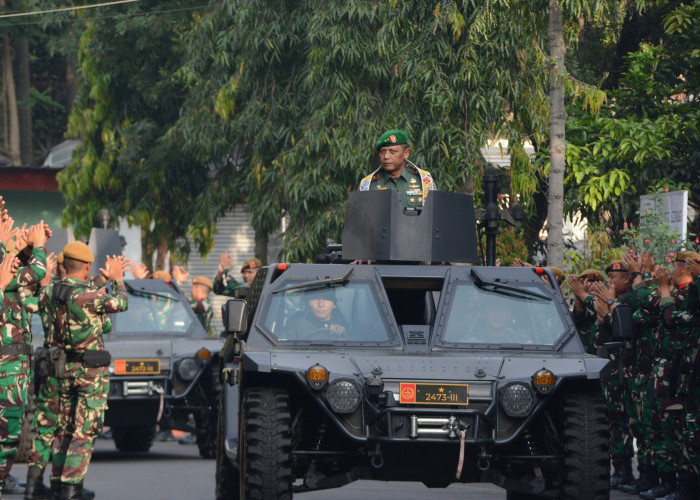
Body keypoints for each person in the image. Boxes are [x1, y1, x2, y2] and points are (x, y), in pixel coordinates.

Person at [44, 242, 128, 500]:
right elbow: (121, 303)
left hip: (62, 368)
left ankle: (59, 484)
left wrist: (99, 281)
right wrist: (118, 281)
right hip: (89, 373)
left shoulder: (50, 292)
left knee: (66, 429)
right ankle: (71, 489)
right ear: (88, 265)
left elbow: (81, 294)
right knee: (85, 430)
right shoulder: (92, 297)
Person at [0, 219, 48, 496]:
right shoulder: (4, 276)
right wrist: (38, 247)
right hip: (8, 368)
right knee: (8, 438)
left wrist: (26, 250)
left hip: (13, 367)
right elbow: (38, 272)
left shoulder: (8, 275)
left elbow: (31, 294)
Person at [358, 130, 436, 211]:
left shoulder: (424, 181)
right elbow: (360, 218)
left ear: (406, 153)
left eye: (392, 151)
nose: (386, 156)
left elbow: (435, 213)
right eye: (382, 152)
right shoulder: (367, 184)